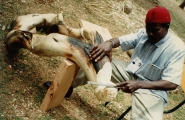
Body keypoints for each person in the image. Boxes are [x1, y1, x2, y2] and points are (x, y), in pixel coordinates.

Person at [81, 6, 185, 120]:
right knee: (95, 62)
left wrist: (139, 85)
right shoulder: (144, 34)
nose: (150, 33)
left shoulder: (177, 48)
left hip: (152, 90)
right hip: (130, 73)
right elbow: (122, 40)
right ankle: (69, 84)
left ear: (166, 27)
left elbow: (171, 83)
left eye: (154, 30)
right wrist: (109, 43)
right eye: (147, 29)